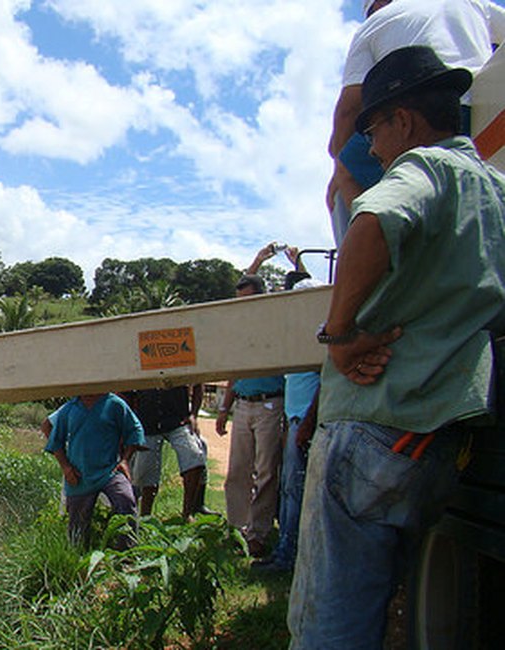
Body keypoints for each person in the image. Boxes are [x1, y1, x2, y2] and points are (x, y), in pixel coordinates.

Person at [289, 46, 505, 648]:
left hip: (376, 424)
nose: (375, 148)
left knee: (329, 618)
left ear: (403, 120)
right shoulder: (496, 190)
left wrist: (338, 335)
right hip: (441, 437)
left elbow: (372, 222)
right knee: (394, 608)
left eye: (375, 129)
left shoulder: (423, 170)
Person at [326, 0, 505, 244]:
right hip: (476, 108)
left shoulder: (377, 22)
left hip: (419, 114)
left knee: (342, 174)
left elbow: (348, 109)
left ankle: (365, 262)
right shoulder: (471, 2)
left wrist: (337, 156)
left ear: (375, 7)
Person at [253, 276, 324, 574]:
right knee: (288, 488)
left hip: (306, 423)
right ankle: (284, 548)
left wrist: (306, 424)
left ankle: (288, 556)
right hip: (293, 420)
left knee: (296, 489)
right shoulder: (298, 338)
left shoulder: (319, 339)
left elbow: (325, 384)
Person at [215, 271, 286, 559]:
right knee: (237, 471)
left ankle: (258, 533)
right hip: (243, 405)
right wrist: (224, 408)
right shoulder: (238, 331)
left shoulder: (275, 324)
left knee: (266, 471)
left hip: (270, 403)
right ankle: (236, 530)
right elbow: (234, 371)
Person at [44, 393, 146, 549]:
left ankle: (127, 554)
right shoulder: (70, 408)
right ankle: (78, 560)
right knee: (77, 527)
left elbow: (135, 430)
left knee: (126, 499)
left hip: (110, 471)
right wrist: (66, 468)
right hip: (80, 475)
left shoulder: (114, 404)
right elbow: (55, 440)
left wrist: (125, 460)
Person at [123, 386, 210, 519]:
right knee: (145, 473)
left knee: (194, 456)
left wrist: (193, 415)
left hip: (178, 422)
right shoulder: (138, 366)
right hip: (147, 425)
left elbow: (198, 383)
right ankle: (145, 518)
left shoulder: (178, 364)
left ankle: (187, 514)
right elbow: (126, 393)